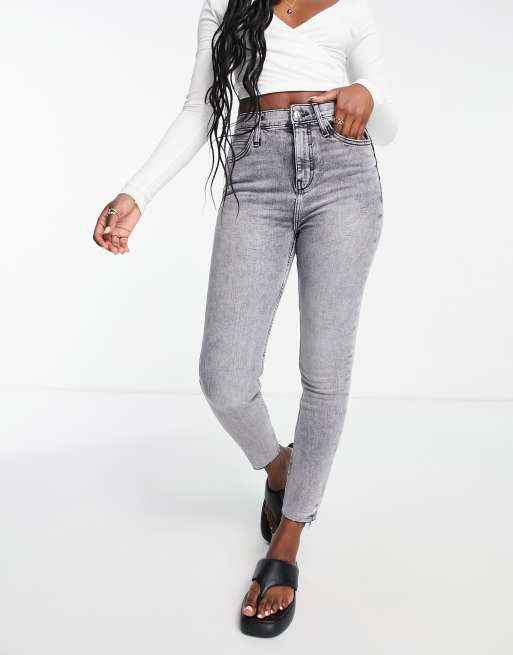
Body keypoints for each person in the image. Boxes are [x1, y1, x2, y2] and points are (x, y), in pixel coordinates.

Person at [92, 0, 398, 638]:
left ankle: (289, 537)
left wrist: (368, 92)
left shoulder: (352, 10)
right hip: (255, 170)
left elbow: (387, 121)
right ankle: (282, 468)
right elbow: (199, 108)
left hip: (344, 173)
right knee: (225, 377)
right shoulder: (225, 5)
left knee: (324, 366)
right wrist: (136, 193)